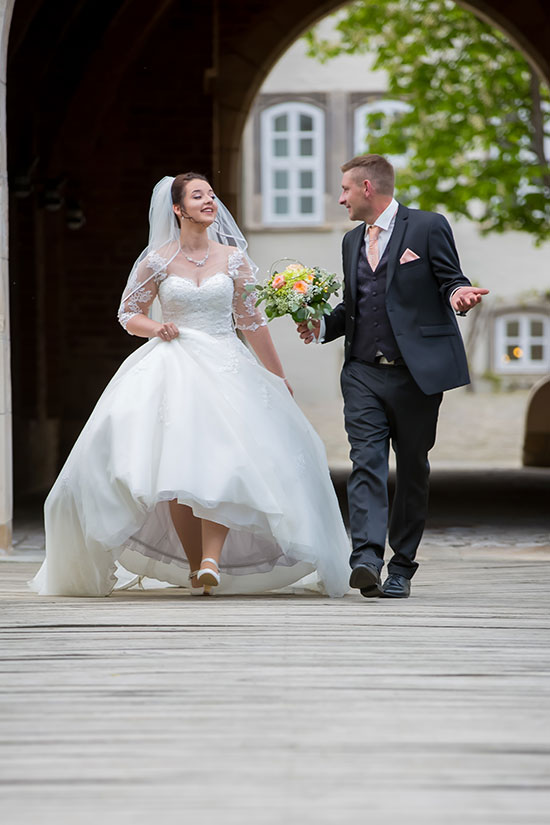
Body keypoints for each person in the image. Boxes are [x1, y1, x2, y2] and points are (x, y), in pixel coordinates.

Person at [30, 173, 350, 598]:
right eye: (198, 196)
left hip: (225, 366)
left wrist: (277, 376)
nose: (209, 201)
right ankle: (198, 565)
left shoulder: (234, 260)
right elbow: (129, 314)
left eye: (212, 195)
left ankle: (212, 559)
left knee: (224, 456)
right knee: (176, 467)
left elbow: (252, 322)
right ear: (178, 209)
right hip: (172, 366)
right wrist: (156, 327)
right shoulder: (156, 261)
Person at [298, 155, 488, 599]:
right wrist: (322, 326)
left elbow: (450, 279)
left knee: (413, 469)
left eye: (345, 189)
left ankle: (401, 566)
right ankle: (365, 557)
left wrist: (460, 295)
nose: (340, 198)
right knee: (365, 463)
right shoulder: (350, 241)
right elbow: (355, 305)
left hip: (415, 376)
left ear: (367, 188)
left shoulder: (426, 226)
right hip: (362, 372)